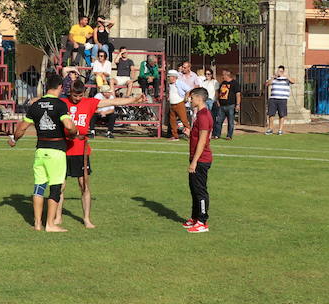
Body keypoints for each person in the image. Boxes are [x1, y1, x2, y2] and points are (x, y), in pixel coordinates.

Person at [58, 80, 145, 229]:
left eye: (79, 95)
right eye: (74, 95)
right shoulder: (62, 102)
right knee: (60, 186)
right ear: (69, 92)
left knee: (84, 185)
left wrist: (133, 99)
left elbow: (115, 101)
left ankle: (86, 218)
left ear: (83, 93)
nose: (77, 98)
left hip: (81, 151)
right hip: (63, 149)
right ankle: (57, 217)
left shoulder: (90, 102)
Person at [10, 72, 77, 232]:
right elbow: (68, 125)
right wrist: (74, 132)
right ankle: (50, 224)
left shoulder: (35, 105)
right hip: (56, 151)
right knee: (56, 187)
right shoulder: (61, 104)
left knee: (39, 186)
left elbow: (22, 128)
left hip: (40, 150)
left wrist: (14, 140)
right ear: (60, 87)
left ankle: (37, 224)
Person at [183, 87, 214, 232]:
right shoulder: (200, 114)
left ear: (199, 98)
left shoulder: (203, 115)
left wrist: (194, 161)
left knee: (200, 190)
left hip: (201, 159)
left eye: (192, 98)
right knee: (194, 189)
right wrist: (190, 134)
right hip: (197, 157)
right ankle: (195, 217)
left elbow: (203, 141)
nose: (190, 100)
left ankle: (202, 221)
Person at [166, 61, 196, 139]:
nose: (169, 78)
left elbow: (188, 89)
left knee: (184, 120)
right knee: (172, 121)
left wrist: (186, 97)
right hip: (172, 104)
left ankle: (190, 134)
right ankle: (175, 136)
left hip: (179, 103)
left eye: (170, 76)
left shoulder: (179, 83)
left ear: (174, 77)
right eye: (169, 76)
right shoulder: (170, 84)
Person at [213, 68, 241, 139]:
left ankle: (229, 135)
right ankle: (217, 135)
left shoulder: (234, 83)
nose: (222, 76)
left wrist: (237, 104)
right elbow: (219, 93)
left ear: (227, 75)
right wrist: (218, 101)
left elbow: (238, 94)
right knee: (219, 121)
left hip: (231, 105)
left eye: (223, 75)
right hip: (222, 106)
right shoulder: (223, 83)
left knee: (230, 122)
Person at [266, 65, 292, 135]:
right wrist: (273, 78)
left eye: (280, 71)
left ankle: (280, 130)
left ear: (283, 71)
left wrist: (286, 76)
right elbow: (267, 84)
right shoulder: (273, 78)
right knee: (271, 114)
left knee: (282, 115)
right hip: (273, 98)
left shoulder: (286, 78)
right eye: (278, 71)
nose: (279, 72)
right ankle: (270, 129)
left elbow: (293, 81)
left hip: (282, 99)